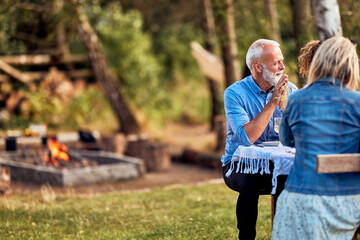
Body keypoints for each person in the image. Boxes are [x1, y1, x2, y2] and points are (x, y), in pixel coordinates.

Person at [271, 36, 360, 240]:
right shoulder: (357, 103)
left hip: (301, 199)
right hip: (349, 201)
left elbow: (286, 140)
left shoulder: (295, 99)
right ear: (351, 66)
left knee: (285, 200)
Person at [221, 39, 298, 240]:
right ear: (257, 66)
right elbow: (248, 137)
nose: (282, 67)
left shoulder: (291, 90)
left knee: (290, 177)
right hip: (238, 164)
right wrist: (273, 102)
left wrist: (288, 112)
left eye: (282, 61)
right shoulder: (234, 93)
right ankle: (246, 237)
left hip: (278, 163)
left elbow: (301, 137)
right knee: (251, 178)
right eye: (276, 63)